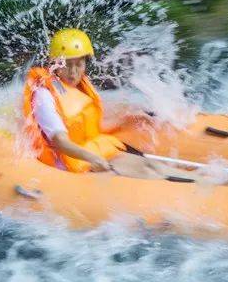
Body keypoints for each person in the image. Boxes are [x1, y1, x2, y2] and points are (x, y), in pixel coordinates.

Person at [23, 28, 201, 180]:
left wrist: (128, 120)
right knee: (146, 170)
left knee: (149, 165)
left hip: (90, 149)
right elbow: (61, 141)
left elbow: (87, 124)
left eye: (79, 64)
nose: (73, 71)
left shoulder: (79, 87)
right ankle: (202, 182)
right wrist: (91, 157)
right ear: (54, 64)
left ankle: (206, 179)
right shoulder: (44, 95)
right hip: (69, 160)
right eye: (67, 65)